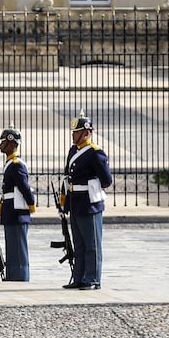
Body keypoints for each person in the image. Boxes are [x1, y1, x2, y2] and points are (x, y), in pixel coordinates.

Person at [63, 112, 112, 290]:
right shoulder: (73, 151)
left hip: (89, 203)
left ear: (86, 133)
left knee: (92, 244)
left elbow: (106, 180)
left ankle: (92, 279)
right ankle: (79, 277)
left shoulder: (95, 153)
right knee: (80, 243)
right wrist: (64, 202)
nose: (73, 135)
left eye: (76, 132)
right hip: (75, 201)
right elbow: (67, 177)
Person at [0, 126, 36, 281]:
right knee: (12, 248)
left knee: (18, 250)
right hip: (11, 212)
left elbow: (24, 187)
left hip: (17, 212)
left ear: (12, 143)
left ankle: (21, 277)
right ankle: (13, 276)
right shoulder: (10, 163)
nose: (1, 145)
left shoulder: (16, 164)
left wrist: (31, 204)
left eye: (3, 142)